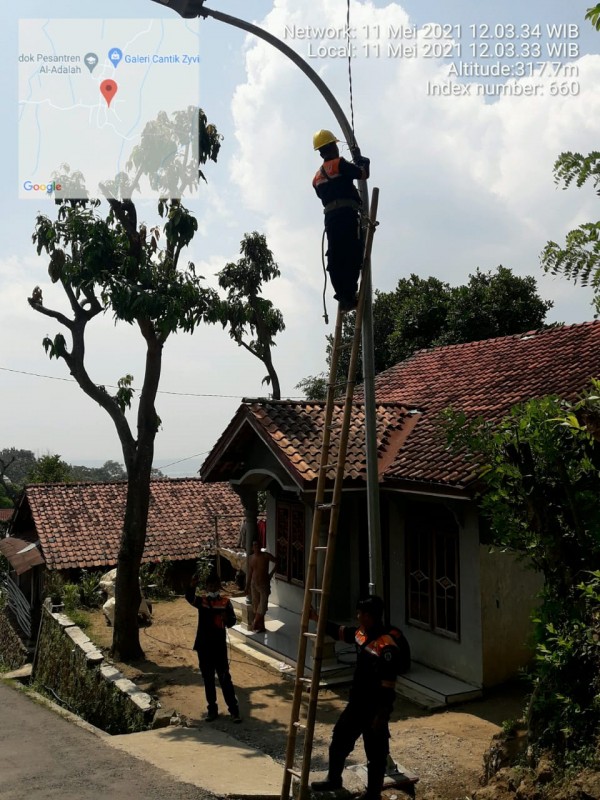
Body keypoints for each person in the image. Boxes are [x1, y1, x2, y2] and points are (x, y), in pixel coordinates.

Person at [310, 595, 410, 800]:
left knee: (376, 754)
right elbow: (342, 632)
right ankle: (334, 779)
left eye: (360, 613)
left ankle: (373, 795)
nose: (357, 616)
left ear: (369, 616)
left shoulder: (386, 645)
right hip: (357, 703)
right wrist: (316, 618)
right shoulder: (362, 633)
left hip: (375, 707)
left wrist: (381, 715)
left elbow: (388, 685)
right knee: (339, 739)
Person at [312, 129, 370, 312]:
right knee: (352, 252)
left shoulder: (316, 178)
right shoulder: (339, 164)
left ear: (320, 152)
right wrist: (362, 160)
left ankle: (344, 297)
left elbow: (324, 194)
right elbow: (363, 174)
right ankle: (350, 294)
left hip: (330, 219)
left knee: (336, 257)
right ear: (332, 147)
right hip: (347, 215)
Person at [185, 572, 241, 723]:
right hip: (204, 646)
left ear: (219, 586)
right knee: (208, 679)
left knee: (225, 679)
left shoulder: (225, 602)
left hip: (219, 647)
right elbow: (189, 598)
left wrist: (226, 618)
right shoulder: (202, 601)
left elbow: (232, 621)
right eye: (210, 586)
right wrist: (192, 585)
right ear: (207, 587)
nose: (213, 588)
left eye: (215, 586)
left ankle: (234, 711)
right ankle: (212, 710)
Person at [245, 539, 277, 632]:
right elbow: (250, 572)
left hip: (264, 584)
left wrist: (271, 574)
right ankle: (261, 626)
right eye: (254, 545)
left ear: (260, 546)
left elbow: (277, 562)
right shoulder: (251, 558)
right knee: (256, 605)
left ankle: (255, 622)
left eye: (258, 545)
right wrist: (247, 586)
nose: (256, 547)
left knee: (262, 605)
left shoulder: (266, 555)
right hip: (254, 584)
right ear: (252, 547)